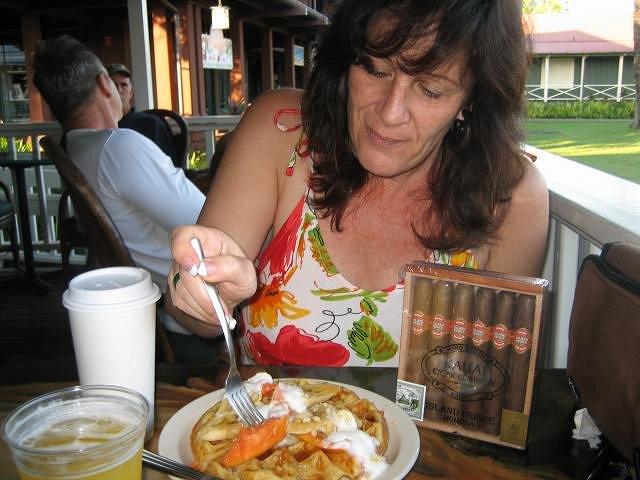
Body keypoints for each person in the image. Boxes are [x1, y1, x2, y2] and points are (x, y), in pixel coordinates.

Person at [169, 0, 549, 367]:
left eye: (431, 90)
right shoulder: (279, 130)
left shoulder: (510, 196)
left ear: (472, 99)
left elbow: (496, 388)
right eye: (375, 69)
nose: (390, 112)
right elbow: (188, 308)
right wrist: (205, 293)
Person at [32, 35, 217, 361]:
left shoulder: (78, 148)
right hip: (197, 315)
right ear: (103, 83)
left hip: (154, 306)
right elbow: (212, 226)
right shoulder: (119, 148)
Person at [106, 63, 181, 168]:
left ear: (131, 92)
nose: (119, 90)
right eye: (114, 85)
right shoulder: (101, 126)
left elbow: (169, 166)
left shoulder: (150, 124)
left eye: (124, 85)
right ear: (105, 91)